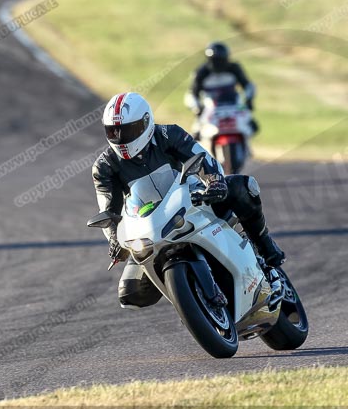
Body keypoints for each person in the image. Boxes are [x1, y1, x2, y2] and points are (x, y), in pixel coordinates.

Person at [92, 91, 285, 308]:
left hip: (192, 199)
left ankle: (268, 252)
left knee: (242, 188)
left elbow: (202, 156)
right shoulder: (104, 166)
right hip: (150, 225)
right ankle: (190, 301)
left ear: (146, 123)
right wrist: (113, 240)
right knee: (131, 293)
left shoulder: (168, 134)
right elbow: (108, 210)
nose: (120, 138)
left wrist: (214, 181)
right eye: (113, 132)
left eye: (127, 130)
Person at [185, 41, 258, 137]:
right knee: (196, 134)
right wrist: (197, 108)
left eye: (221, 60)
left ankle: (246, 149)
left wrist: (249, 100)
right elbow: (192, 94)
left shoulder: (234, 68)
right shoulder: (201, 72)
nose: (218, 64)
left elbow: (248, 86)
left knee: (252, 126)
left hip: (235, 104)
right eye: (215, 61)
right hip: (210, 107)